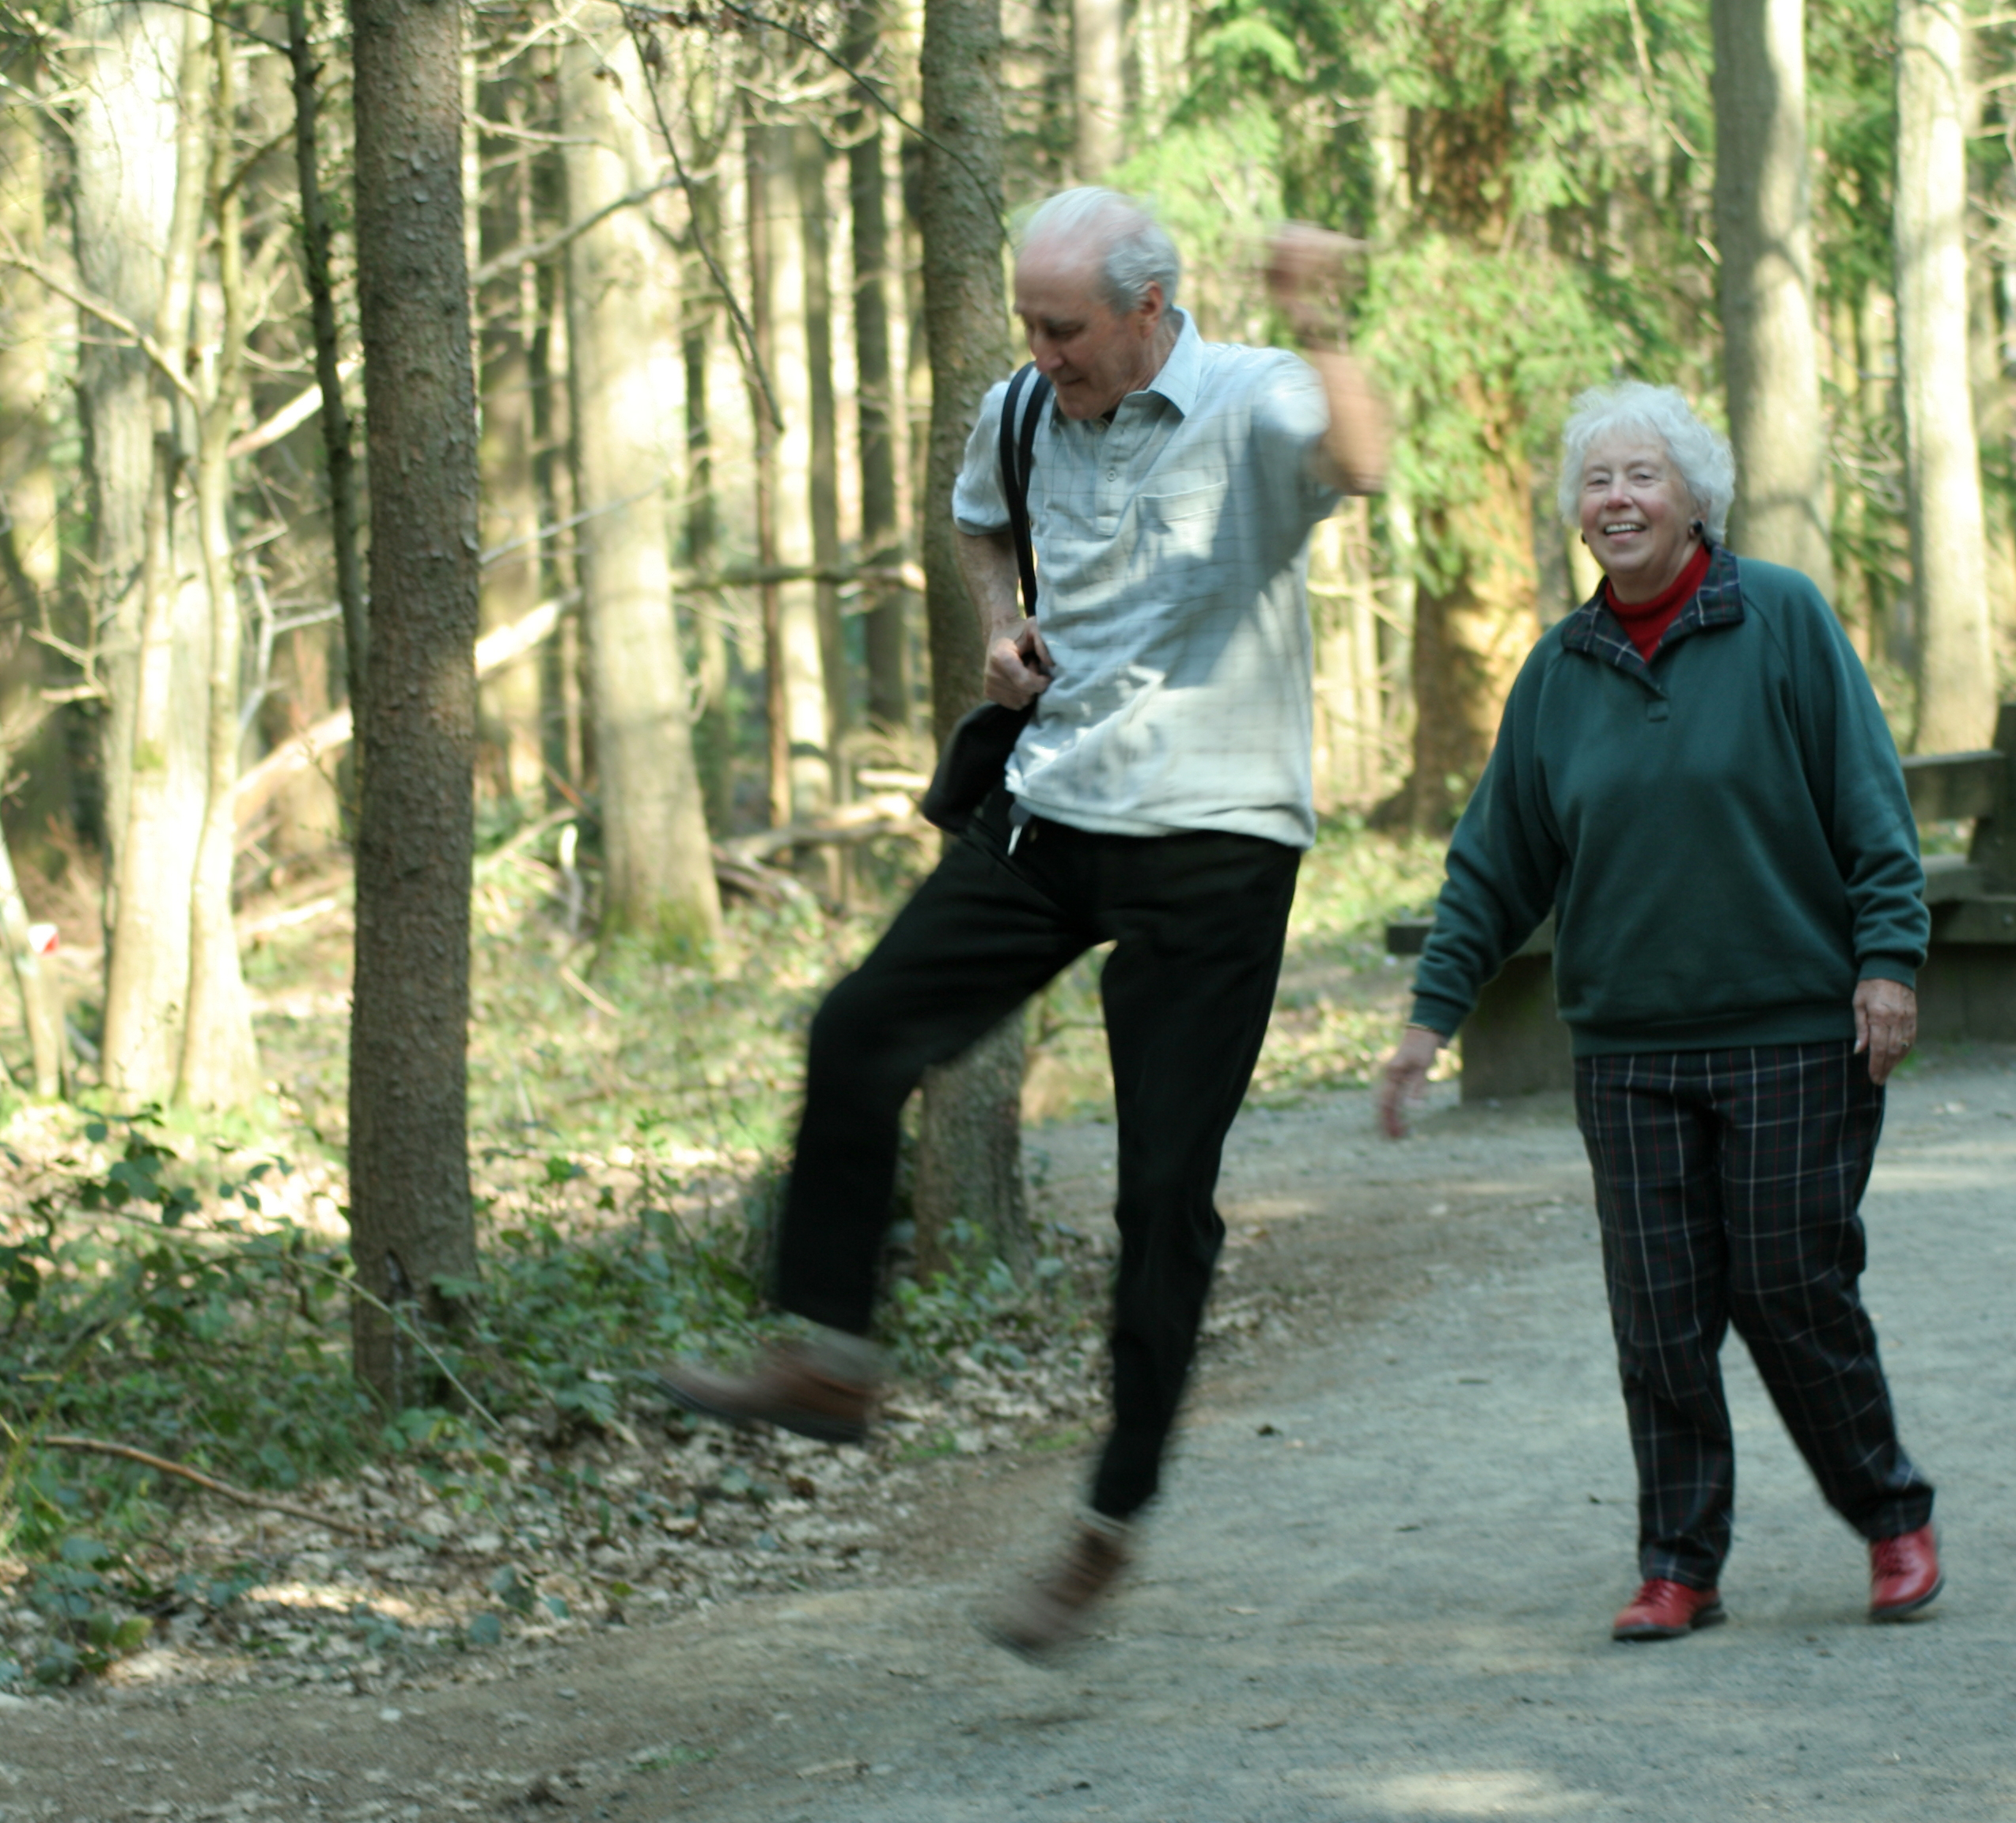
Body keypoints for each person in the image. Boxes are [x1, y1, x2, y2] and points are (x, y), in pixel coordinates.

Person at [652, 188, 1388, 1654]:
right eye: (1029, 327)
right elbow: (984, 522)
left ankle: (1108, 1524)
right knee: (860, 1032)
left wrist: (1325, 320)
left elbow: (1358, 462)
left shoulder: (1249, 397)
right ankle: (830, 1359)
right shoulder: (1020, 407)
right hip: (1055, 812)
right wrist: (1001, 623)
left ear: (1149, 306)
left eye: (1066, 329)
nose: (1043, 353)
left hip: (1217, 842)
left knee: (1159, 1194)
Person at [1378, 381, 1941, 1643]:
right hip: (1629, 1049)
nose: (1617, 499)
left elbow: (1871, 807)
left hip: (1795, 1030)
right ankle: (1679, 1561)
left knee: (1793, 1281)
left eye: (1642, 476)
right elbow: (1494, 863)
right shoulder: (1558, 673)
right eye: (1596, 480)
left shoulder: (1783, 620)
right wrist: (1432, 1018)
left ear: (1695, 500)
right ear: (1578, 514)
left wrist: (1888, 963)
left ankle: (1891, 1512)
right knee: (1661, 1313)